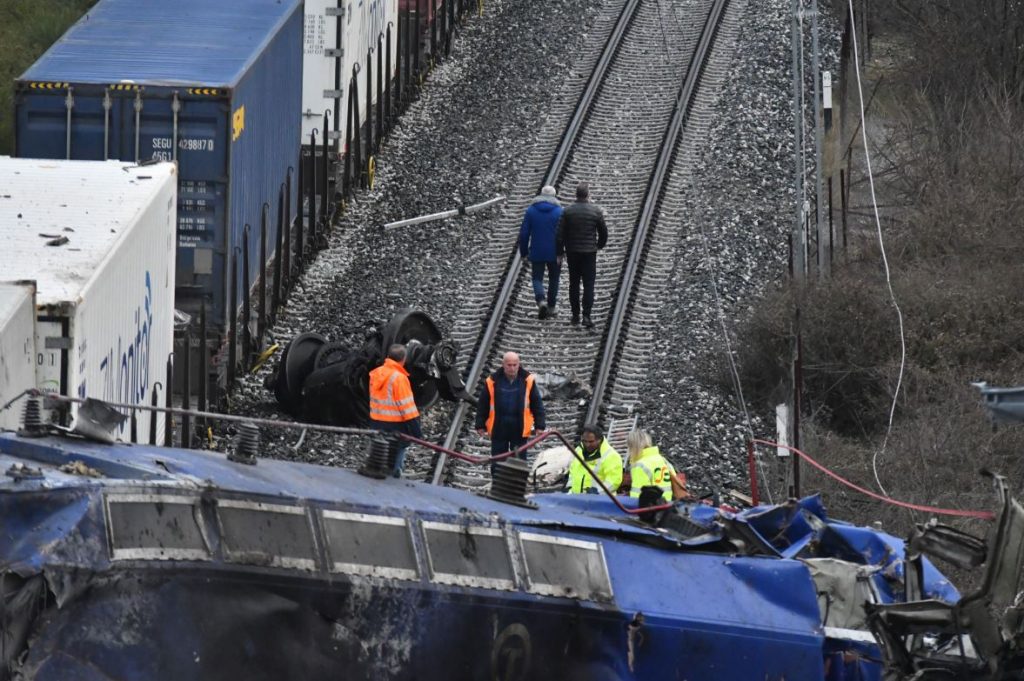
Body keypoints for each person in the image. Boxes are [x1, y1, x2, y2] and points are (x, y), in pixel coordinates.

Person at [475, 351, 545, 471]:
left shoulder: (527, 380)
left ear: (519, 364)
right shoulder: (492, 381)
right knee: (497, 461)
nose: (512, 368)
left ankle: (516, 486)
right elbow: (483, 404)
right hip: (499, 427)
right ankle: (498, 485)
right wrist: (480, 424)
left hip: (519, 428)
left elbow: (537, 404)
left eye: (514, 365)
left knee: (519, 462)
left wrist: (540, 425)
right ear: (503, 365)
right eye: (509, 365)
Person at [556, 181, 607, 328]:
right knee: (589, 284)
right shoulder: (595, 211)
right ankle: (587, 316)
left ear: (576, 195)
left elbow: (559, 235)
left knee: (574, 284)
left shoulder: (567, 211)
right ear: (588, 195)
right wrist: (599, 245)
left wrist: (560, 252)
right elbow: (603, 232)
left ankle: (575, 315)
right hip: (589, 253)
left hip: (573, 252)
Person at [368, 343, 423, 478]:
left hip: (376, 423)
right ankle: (393, 478)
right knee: (394, 462)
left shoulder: (376, 373)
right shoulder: (399, 378)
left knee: (378, 455)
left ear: (388, 357)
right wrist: (417, 433)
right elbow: (407, 409)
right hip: (395, 427)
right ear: (403, 359)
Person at [518, 185, 563, 319]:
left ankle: (541, 300)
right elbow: (563, 234)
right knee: (554, 278)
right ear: (554, 196)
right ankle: (551, 307)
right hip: (554, 252)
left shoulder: (531, 210)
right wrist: (562, 251)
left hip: (537, 251)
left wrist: (524, 252)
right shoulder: (559, 211)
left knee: (537, 278)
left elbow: (524, 233)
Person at [565, 423, 623, 494]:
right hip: (577, 500)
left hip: (599, 501)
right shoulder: (578, 450)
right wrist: (569, 487)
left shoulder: (612, 456)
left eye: (591, 441)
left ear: (599, 439)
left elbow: (614, 481)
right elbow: (572, 471)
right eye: (584, 441)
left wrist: (597, 492)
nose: (587, 444)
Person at [626, 428, 675, 502]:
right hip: (667, 504)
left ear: (632, 447)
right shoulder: (662, 459)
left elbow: (637, 494)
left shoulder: (640, 465)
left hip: (651, 507)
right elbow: (674, 478)